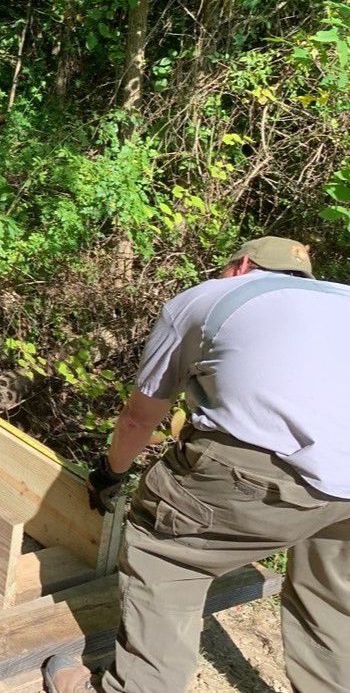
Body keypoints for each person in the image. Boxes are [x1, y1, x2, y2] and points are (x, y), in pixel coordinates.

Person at [43, 236, 350, 693]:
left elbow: (139, 417)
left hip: (260, 471)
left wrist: (111, 473)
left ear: (241, 265)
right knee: (331, 595)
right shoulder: (341, 297)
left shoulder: (208, 297)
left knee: (167, 557)